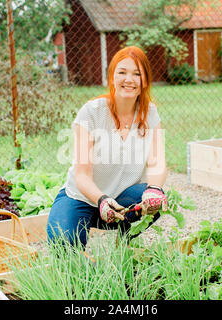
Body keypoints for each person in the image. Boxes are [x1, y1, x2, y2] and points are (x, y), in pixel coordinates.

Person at [47, 46, 167, 248]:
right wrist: (101, 199)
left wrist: (154, 189)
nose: (129, 80)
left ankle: (123, 246)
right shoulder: (92, 112)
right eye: (122, 72)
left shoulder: (150, 113)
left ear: (145, 80)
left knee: (155, 201)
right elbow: (82, 175)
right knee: (63, 243)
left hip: (121, 199)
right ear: (112, 77)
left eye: (137, 74)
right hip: (82, 198)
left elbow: (157, 162)